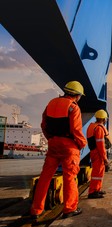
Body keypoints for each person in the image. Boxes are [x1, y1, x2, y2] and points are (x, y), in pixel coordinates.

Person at [30, 81, 87, 219]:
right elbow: (76, 130)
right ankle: (69, 208)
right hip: (69, 146)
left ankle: (37, 209)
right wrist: (82, 143)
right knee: (70, 177)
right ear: (77, 95)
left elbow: (44, 124)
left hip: (53, 143)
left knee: (45, 177)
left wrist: (50, 138)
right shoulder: (73, 107)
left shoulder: (51, 104)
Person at [87, 109, 111, 199]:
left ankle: (97, 189)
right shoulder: (99, 128)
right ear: (104, 119)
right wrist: (105, 158)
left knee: (99, 173)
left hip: (94, 152)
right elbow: (100, 145)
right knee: (97, 173)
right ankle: (93, 192)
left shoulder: (92, 126)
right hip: (98, 153)